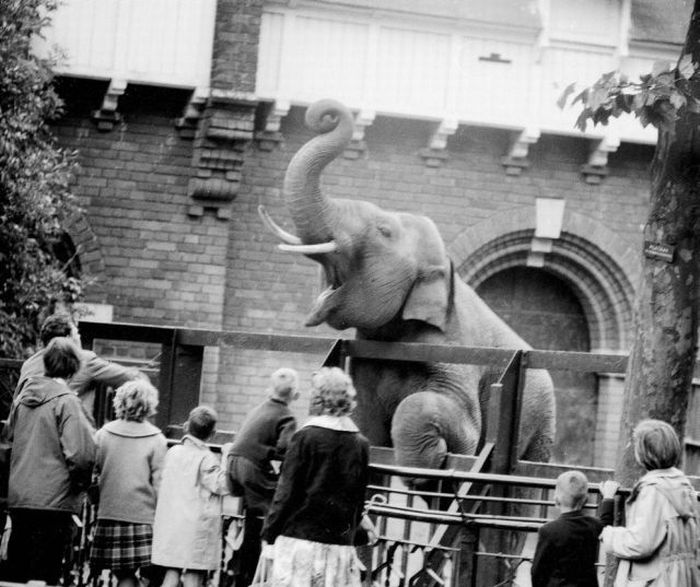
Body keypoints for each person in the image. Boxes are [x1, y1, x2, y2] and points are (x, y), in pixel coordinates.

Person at [261, 367, 374, 587]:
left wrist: (270, 532)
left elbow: (286, 492)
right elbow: (357, 499)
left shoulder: (305, 437)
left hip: (300, 542)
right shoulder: (360, 444)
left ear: (318, 398)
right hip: (338, 548)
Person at [4, 337, 96, 584]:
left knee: (16, 572)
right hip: (54, 501)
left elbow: (7, 445)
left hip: (20, 497)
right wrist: (80, 485)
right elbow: (81, 455)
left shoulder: (21, 400)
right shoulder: (67, 402)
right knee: (45, 574)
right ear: (73, 367)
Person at [599, 419, 700, 587]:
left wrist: (610, 535)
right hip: (680, 577)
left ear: (644, 453)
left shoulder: (653, 490)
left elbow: (641, 543)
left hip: (656, 579)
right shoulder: (682, 484)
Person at [89, 379, 168, 587]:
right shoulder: (157, 439)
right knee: (152, 574)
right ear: (149, 405)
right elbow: (160, 483)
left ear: (119, 402)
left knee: (123, 574)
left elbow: (93, 472)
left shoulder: (103, 434)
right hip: (144, 516)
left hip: (110, 512)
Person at [226, 367, 299, 586]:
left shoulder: (258, 408)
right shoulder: (287, 416)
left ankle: (241, 566)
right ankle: (270, 550)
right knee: (279, 502)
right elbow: (286, 448)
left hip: (233, 462)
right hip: (252, 466)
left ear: (269, 389)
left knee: (254, 509)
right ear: (295, 395)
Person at [151, 406, 230, 587]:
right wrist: (226, 456)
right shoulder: (207, 458)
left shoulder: (172, 453)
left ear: (186, 426)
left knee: (171, 571)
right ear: (213, 433)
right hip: (196, 529)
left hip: (172, 524)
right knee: (194, 575)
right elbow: (222, 485)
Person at [14, 312, 146, 419]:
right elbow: (132, 378)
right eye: (77, 333)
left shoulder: (29, 363)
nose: (79, 337)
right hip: (68, 437)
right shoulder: (84, 360)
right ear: (69, 338)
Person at [531, 470, 613, 587]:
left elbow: (538, 571)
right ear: (585, 499)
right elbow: (606, 523)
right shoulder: (592, 525)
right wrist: (608, 498)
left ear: (556, 499)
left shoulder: (548, 530)